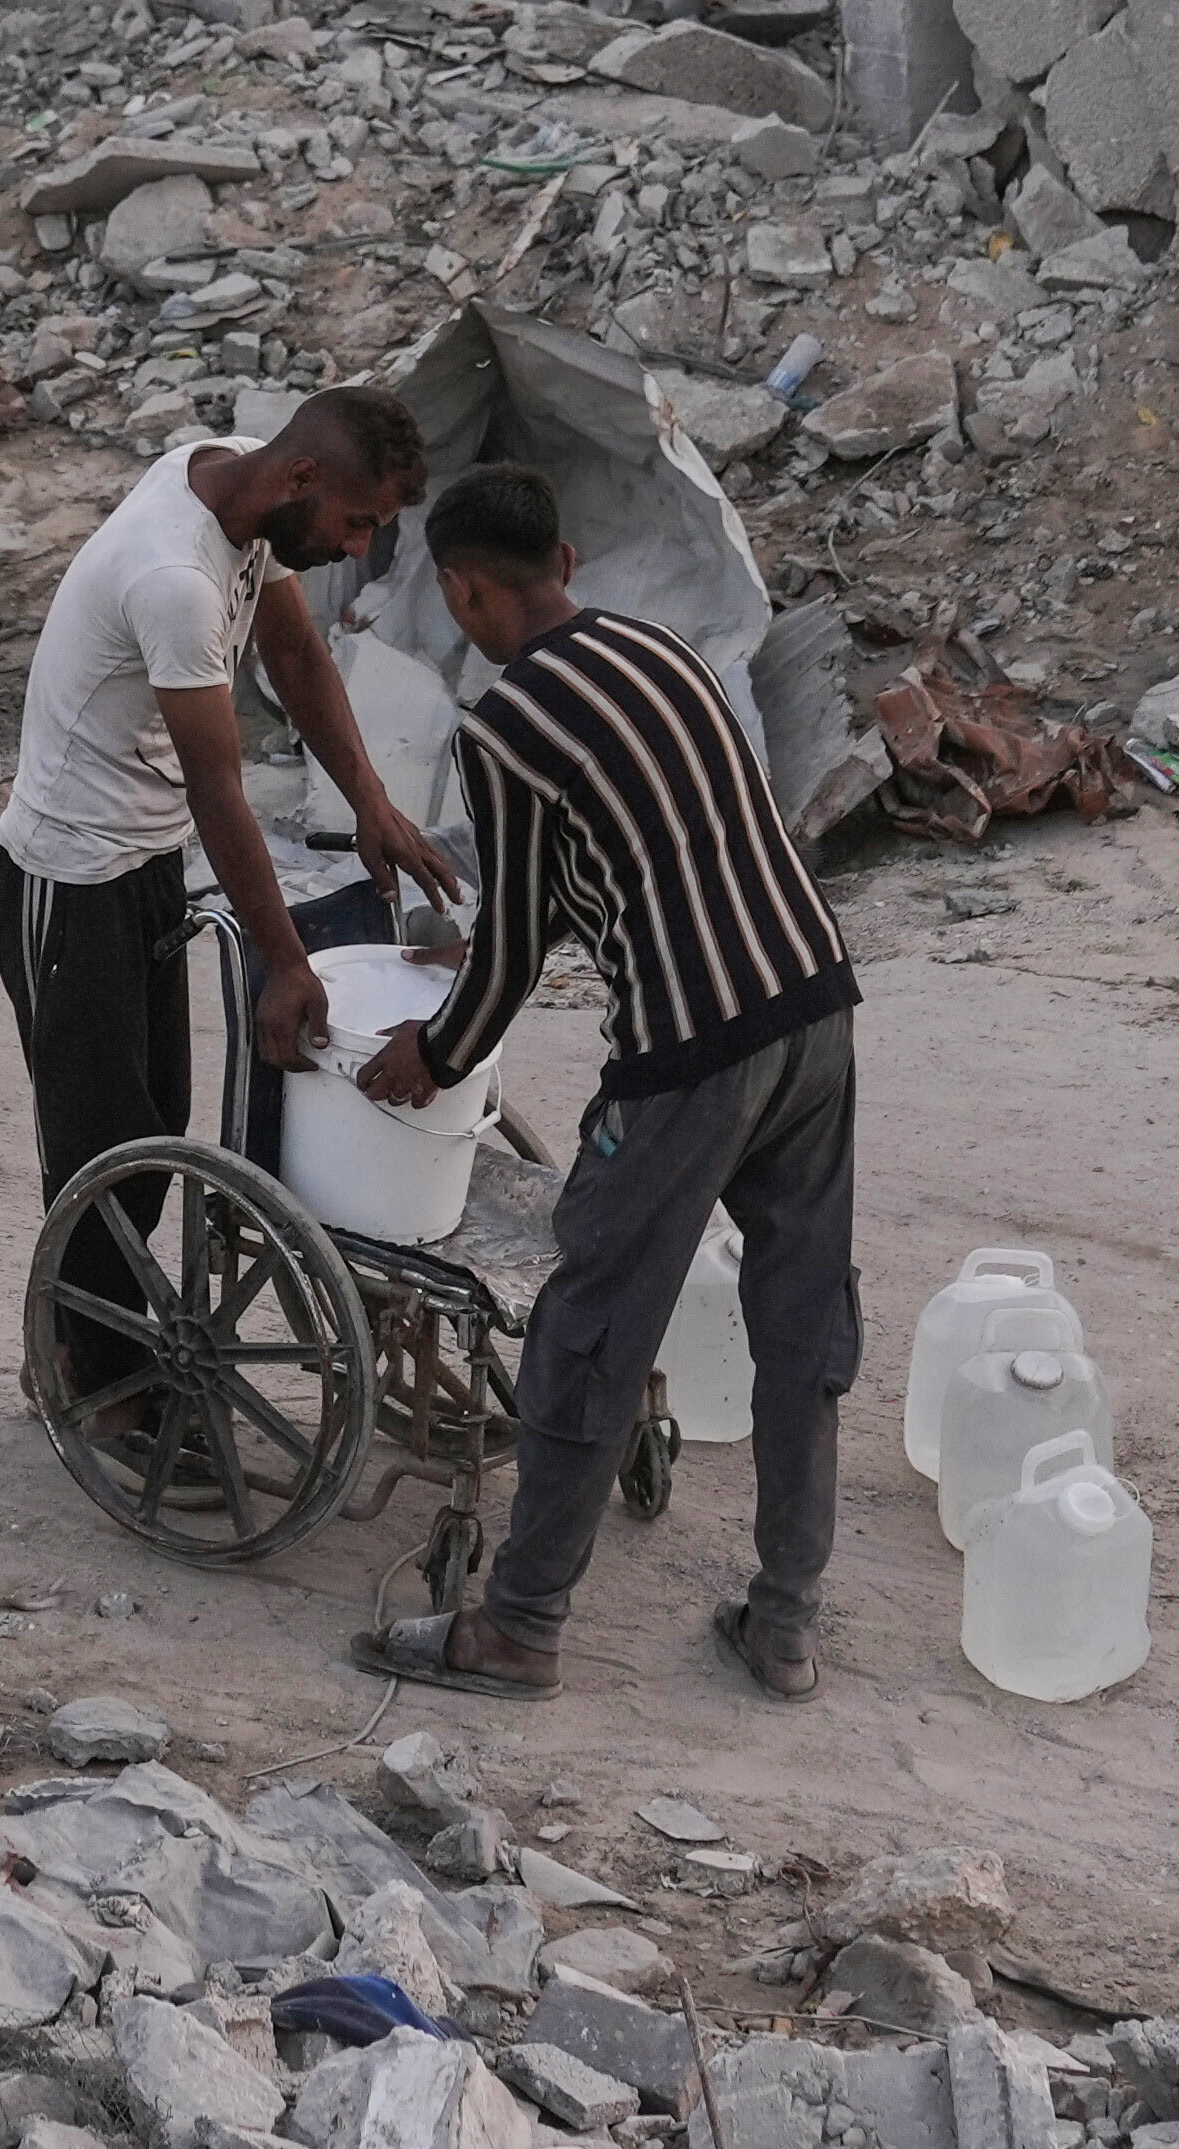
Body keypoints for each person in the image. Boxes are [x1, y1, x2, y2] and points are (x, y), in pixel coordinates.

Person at [346, 466, 864, 1706]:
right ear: (566, 563)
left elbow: (516, 954)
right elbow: (663, 848)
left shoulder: (506, 728)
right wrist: (489, 932)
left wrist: (434, 1053)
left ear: (463, 592)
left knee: (591, 1325)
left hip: (691, 1053)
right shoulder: (660, 651)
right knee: (802, 1321)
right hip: (814, 1006)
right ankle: (785, 1627)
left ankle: (519, 1630)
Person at [0, 386, 452, 1255]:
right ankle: (85, 1342)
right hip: (68, 875)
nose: (358, 548)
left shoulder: (238, 476)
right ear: (301, 477)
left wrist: (371, 801)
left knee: (153, 1130)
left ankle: (110, 1326)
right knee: (100, 1159)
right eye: (357, 523)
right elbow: (218, 790)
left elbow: (296, 653)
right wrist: (286, 964)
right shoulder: (176, 581)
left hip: (145, 857)